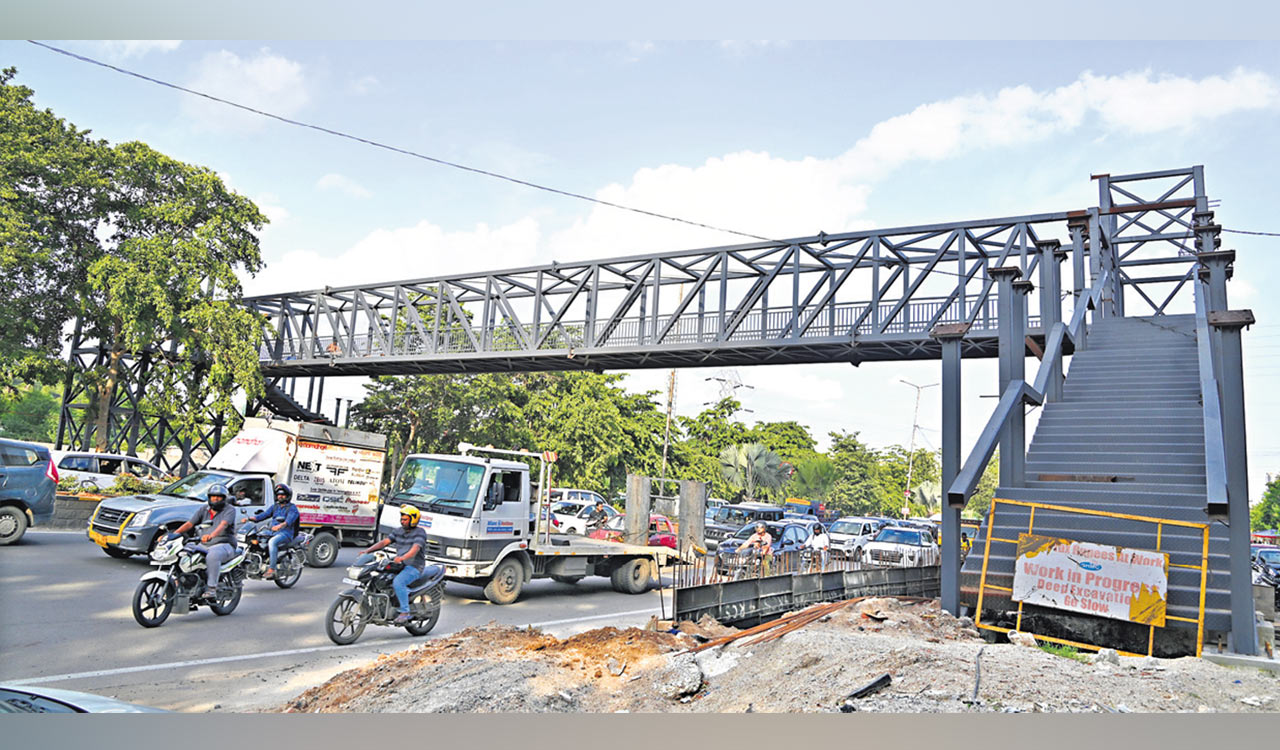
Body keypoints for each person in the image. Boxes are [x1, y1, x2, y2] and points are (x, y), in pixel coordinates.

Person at [356, 505, 428, 625]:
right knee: (379, 577)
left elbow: (415, 549)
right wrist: (368, 551)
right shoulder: (399, 531)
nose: (402, 521)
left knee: (398, 582)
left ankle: (405, 612)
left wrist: (403, 558)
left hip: (414, 566)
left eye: (405, 519)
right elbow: (385, 542)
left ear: (413, 520)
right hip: (399, 564)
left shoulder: (420, 532)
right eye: (402, 519)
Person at [168, 483, 237, 598]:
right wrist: (173, 534)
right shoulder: (204, 509)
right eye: (213, 496)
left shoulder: (230, 510)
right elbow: (190, 523)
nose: (215, 499)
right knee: (182, 551)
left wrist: (211, 535)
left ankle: (211, 588)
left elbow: (223, 525)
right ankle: (180, 581)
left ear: (224, 498)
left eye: (218, 497)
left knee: (213, 555)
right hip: (203, 544)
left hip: (224, 545)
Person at [247, 483, 301, 579]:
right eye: (278, 494)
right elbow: (264, 515)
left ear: (287, 496)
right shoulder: (275, 506)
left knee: (272, 542)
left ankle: (272, 569)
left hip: (286, 533)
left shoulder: (292, 508)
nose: (280, 496)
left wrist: (280, 526)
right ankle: (256, 563)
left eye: (282, 495)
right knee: (255, 539)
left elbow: (288, 521)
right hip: (272, 531)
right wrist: (251, 518)